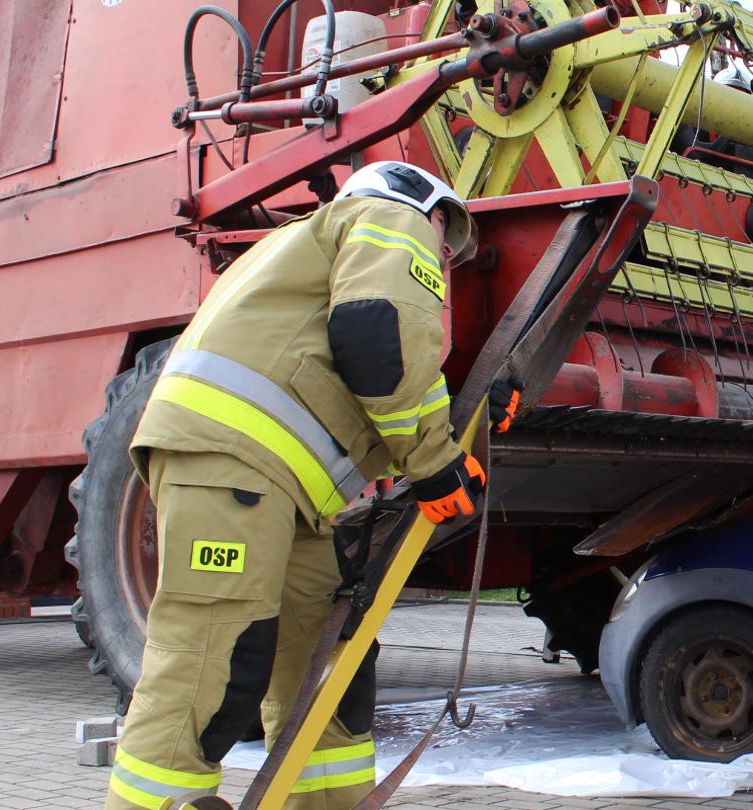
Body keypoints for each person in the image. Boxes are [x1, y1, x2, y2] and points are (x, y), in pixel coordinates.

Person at [105, 161, 521, 810]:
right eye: (446, 237)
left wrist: (464, 419)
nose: (443, 258)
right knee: (213, 663)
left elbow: (354, 374)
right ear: (425, 205)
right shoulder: (392, 216)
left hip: (277, 482)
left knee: (326, 672)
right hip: (235, 459)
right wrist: (435, 461)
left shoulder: (308, 248)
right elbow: (375, 334)